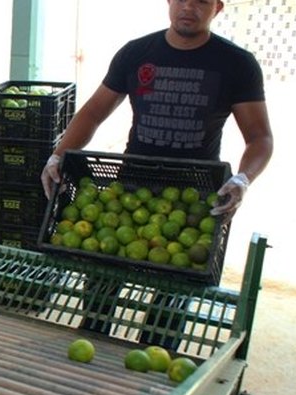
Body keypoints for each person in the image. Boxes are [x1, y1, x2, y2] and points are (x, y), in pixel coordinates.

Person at [40, 0, 274, 348]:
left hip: (195, 201)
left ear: (218, 8)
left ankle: (153, 367)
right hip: (129, 189)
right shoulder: (136, 54)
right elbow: (91, 114)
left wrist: (242, 179)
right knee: (102, 285)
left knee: (170, 303)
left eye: (201, 2)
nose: (189, 7)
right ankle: (93, 343)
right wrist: (57, 156)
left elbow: (260, 138)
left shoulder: (237, 64)